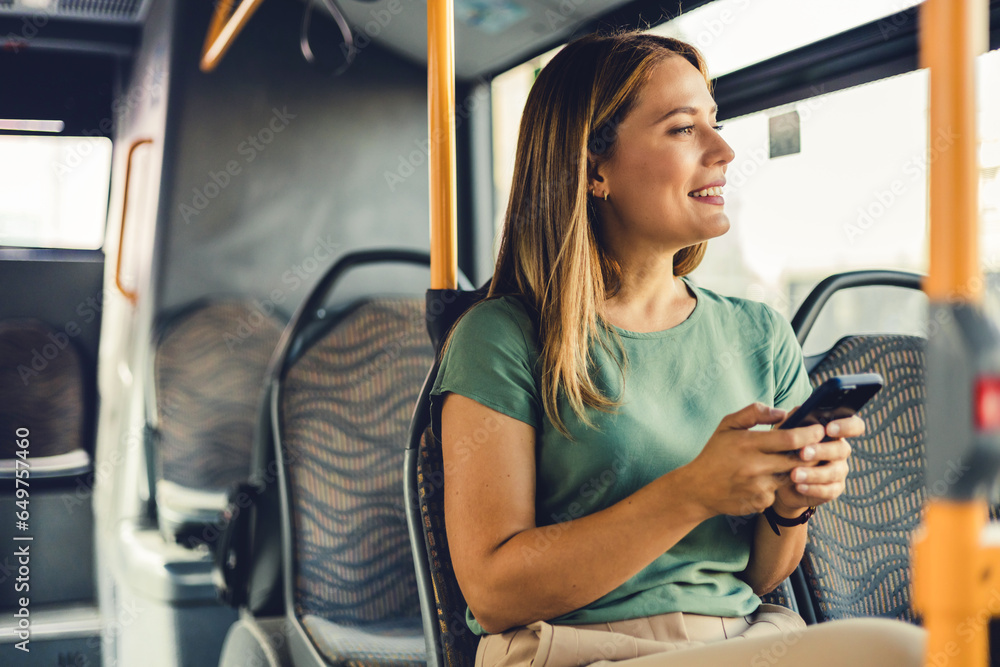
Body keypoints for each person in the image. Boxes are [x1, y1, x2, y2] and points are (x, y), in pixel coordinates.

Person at [430, 31, 924, 666]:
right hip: (575, 651)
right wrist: (693, 491)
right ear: (593, 168)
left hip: (739, 641)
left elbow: (756, 578)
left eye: (714, 123)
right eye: (684, 129)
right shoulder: (500, 338)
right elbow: (494, 594)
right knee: (893, 652)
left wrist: (791, 506)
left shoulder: (758, 334)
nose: (723, 149)